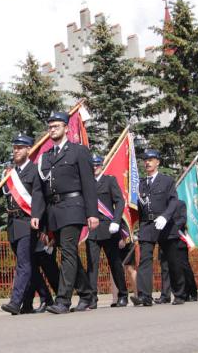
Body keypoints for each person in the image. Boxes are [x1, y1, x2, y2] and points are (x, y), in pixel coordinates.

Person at [31, 112, 99, 314]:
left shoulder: (78, 151)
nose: (52, 129)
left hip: (73, 207)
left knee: (68, 252)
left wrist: (92, 213)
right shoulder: (45, 157)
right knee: (69, 253)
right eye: (50, 126)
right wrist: (37, 214)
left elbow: (88, 184)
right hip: (54, 211)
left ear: (66, 128)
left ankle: (63, 300)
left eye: (57, 126)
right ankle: (87, 294)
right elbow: (39, 189)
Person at [0, 134, 44, 315]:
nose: (16, 151)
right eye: (15, 148)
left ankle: (15, 302)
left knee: (23, 264)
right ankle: (34, 301)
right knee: (29, 265)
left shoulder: (34, 170)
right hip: (13, 224)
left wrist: (37, 216)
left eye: (20, 148)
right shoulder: (11, 173)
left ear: (29, 150)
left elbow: (39, 195)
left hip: (27, 222)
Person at [80, 154, 129, 309]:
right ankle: (92, 298)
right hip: (92, 229)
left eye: (97, 165)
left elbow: (120, 201)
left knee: (115, 263)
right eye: (92, 165)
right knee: (92, 265)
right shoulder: (86, 183)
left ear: (101, 165)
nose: (94, 168)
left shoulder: (109, 180)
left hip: (109, 228)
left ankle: (123, 295)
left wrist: (116, 221)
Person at [133, 149, 179, 306]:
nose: (147, 162)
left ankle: (177, 294)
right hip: (147, 224)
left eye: (151, 160)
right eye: (145, 160)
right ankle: (144, 296)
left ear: (157, 162)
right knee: (145, 260)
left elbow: (173, 201)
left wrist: (165, 216)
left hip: (164, 224)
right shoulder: (140, 184)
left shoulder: (166, 181)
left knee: (170, 261)